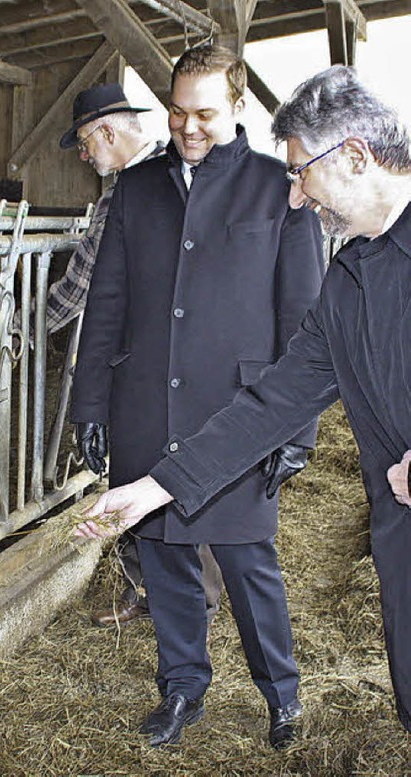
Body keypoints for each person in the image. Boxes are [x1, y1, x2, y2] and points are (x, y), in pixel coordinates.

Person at [76, 64, 411, 737]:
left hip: (347, 477)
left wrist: (300, 441)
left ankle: (279, 691)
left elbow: (286, 328)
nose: (293, 197)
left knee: (249, 560)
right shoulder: (351, 277)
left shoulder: (313, 228)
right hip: (394, 527)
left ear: (351, 157)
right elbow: (280, 392)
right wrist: (150, 489)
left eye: (301, 174)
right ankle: (184, 685)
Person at [53, 82, 224, 629]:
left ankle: (173, 597)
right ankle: (182, 596)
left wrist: (21, 328)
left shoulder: (128, 190)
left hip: (146, 361)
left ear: (105, 132)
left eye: (84, 145)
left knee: (152, 471)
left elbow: (84, 283)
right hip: (175, 359)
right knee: (172, 470)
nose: (86, 158)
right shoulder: (181, 177)